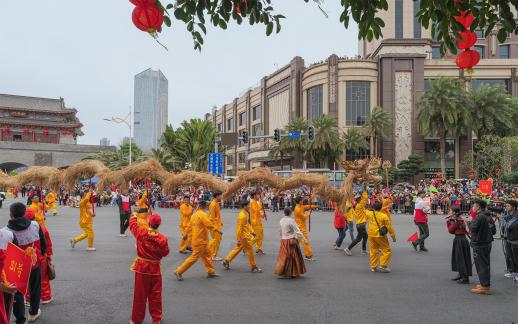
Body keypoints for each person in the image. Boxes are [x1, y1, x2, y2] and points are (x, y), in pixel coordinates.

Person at [5, 202, 47, 323]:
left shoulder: (5, 231)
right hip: (34, 263)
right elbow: (43, 244)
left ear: (10, 214)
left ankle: (20, 319)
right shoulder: (35, 225)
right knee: (35, 288)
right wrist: (40, 257)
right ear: (24, 213)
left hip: (15, 267)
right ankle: (33, 313)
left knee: (17, 292)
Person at [129, 213, 169, 324]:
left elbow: (132, 225)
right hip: (155, 269)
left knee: (140, 295)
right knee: (156, 295)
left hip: (142, 268)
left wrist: (134, 215)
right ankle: (156, 319)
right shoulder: (163, 239)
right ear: (159, 224)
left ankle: (137, 319)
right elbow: (165, 253)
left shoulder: (141, 232)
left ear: (149, 222)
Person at [175, 200, 220, 281]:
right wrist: (217, 230)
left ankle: (211, 271)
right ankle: (179, 271)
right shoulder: (202, 214)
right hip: (200, 241)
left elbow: (189, 227)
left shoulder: (194, 215)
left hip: (200, 240)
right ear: (205, 206)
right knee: (193, 258)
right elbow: (209, 224)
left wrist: (185, 235)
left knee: (207, 256)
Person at [222, 198, 262, 273]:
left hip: (244, 235)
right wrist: (239, 239)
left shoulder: (244, 213)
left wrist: (252, 232)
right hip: (243, 237)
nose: (249, 207)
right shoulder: (242, 216)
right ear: (244, 206)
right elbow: (239, 229)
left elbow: (246, 225)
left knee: (238, 248)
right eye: (248, 205)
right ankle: (254, 267)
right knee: (250, 251)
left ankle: (227, 260)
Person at [25, 209, 54, 304]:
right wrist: (49, 255)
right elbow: (47, 244)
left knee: (27, 279)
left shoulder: (18, 230)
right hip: (40, 257)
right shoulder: (41, 228)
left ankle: (28, 299)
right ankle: (46, 297)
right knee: (43, 278)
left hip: (25, 258)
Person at [468, 199, 495, 295]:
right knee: (485, 264)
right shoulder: (488, 216)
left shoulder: (479, 216)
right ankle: (485, 283)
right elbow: (494, 230)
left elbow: (472, 228)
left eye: (474, 205)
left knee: (481, 265)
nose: (473, 207)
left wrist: (469, 222)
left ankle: (485, 286)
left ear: (478, 206)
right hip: (487, 243)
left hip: (480, 243)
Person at [274, 208, 307, 279]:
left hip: (283, 240)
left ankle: (281, 271)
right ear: (290, 213)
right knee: (293, 257)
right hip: (291, 240)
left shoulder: (281, 220)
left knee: (283, 257)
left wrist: (281, 238)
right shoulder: (291, 221)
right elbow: (297, 231)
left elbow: (280, 230)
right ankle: (293, 272)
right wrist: (304, 239)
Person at [367, 201, 396, 273]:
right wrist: (393, 237)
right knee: (386, 249)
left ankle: (373, 267)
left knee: (373, 251)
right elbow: (389, 227)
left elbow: (363, 210)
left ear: (373, 208)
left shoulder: (370, 213)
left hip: (371, 234)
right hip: (380, 235)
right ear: (381, 208)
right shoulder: (384, 216)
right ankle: (383, 265)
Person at [446, 206, 472, 284]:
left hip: (460, 240)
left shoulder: (457, 220)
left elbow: (450, 231)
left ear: (454, 212)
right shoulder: (459, 218)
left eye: (450, 211)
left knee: (460, 258)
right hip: (461, 239)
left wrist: (448, 221)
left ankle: (465, 278)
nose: (449, 212)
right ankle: (461, 274)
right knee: (461, 258)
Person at [345, 189, 369, 256]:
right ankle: (348, 248)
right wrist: (364, 190)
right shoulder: (359, 206)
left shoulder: (356, 206)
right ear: (358, 200)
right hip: (361, 225)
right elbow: (365, 198)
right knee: (358, 239)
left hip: (360, 224)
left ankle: (363, 250)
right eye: (360, 198)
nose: (361, 199)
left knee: (365, 236)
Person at [293, 196, 318, 261]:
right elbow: (304, 217)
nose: (303, 201)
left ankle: (290, 253)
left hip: (299, 227)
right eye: (302, 200)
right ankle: (308, 255)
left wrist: (315, 206)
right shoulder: (297, 209)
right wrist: (309, 213)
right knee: (305, 242)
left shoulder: (300, 206)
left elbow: (307, 206)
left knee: (296, 242)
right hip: (300, 228)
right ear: (299, 201)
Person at [501, 200, 518, 279]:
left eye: (508, 206)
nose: (506, 207)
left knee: (516, 257)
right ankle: (513, 272)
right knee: (510, 256)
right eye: (506, 206)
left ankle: (516, 273)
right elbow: (503, 226)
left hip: (515, 239)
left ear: (514, 207)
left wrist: (503, 219)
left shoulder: (516, 215)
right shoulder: (507, 214)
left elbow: (510, 226)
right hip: (508, 238)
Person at [208, 191, 223, 261]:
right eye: (220, 196)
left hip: (217, 225)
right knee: (216, 240)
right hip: (214, 226)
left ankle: (212, 253)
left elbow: (218, 215)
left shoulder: (216, 203)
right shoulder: (213, 204)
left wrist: (220, 222)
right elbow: (212, 218)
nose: (221, 197)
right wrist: (215, 228)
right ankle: (213, 255)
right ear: (217, 196)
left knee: (217, 240)